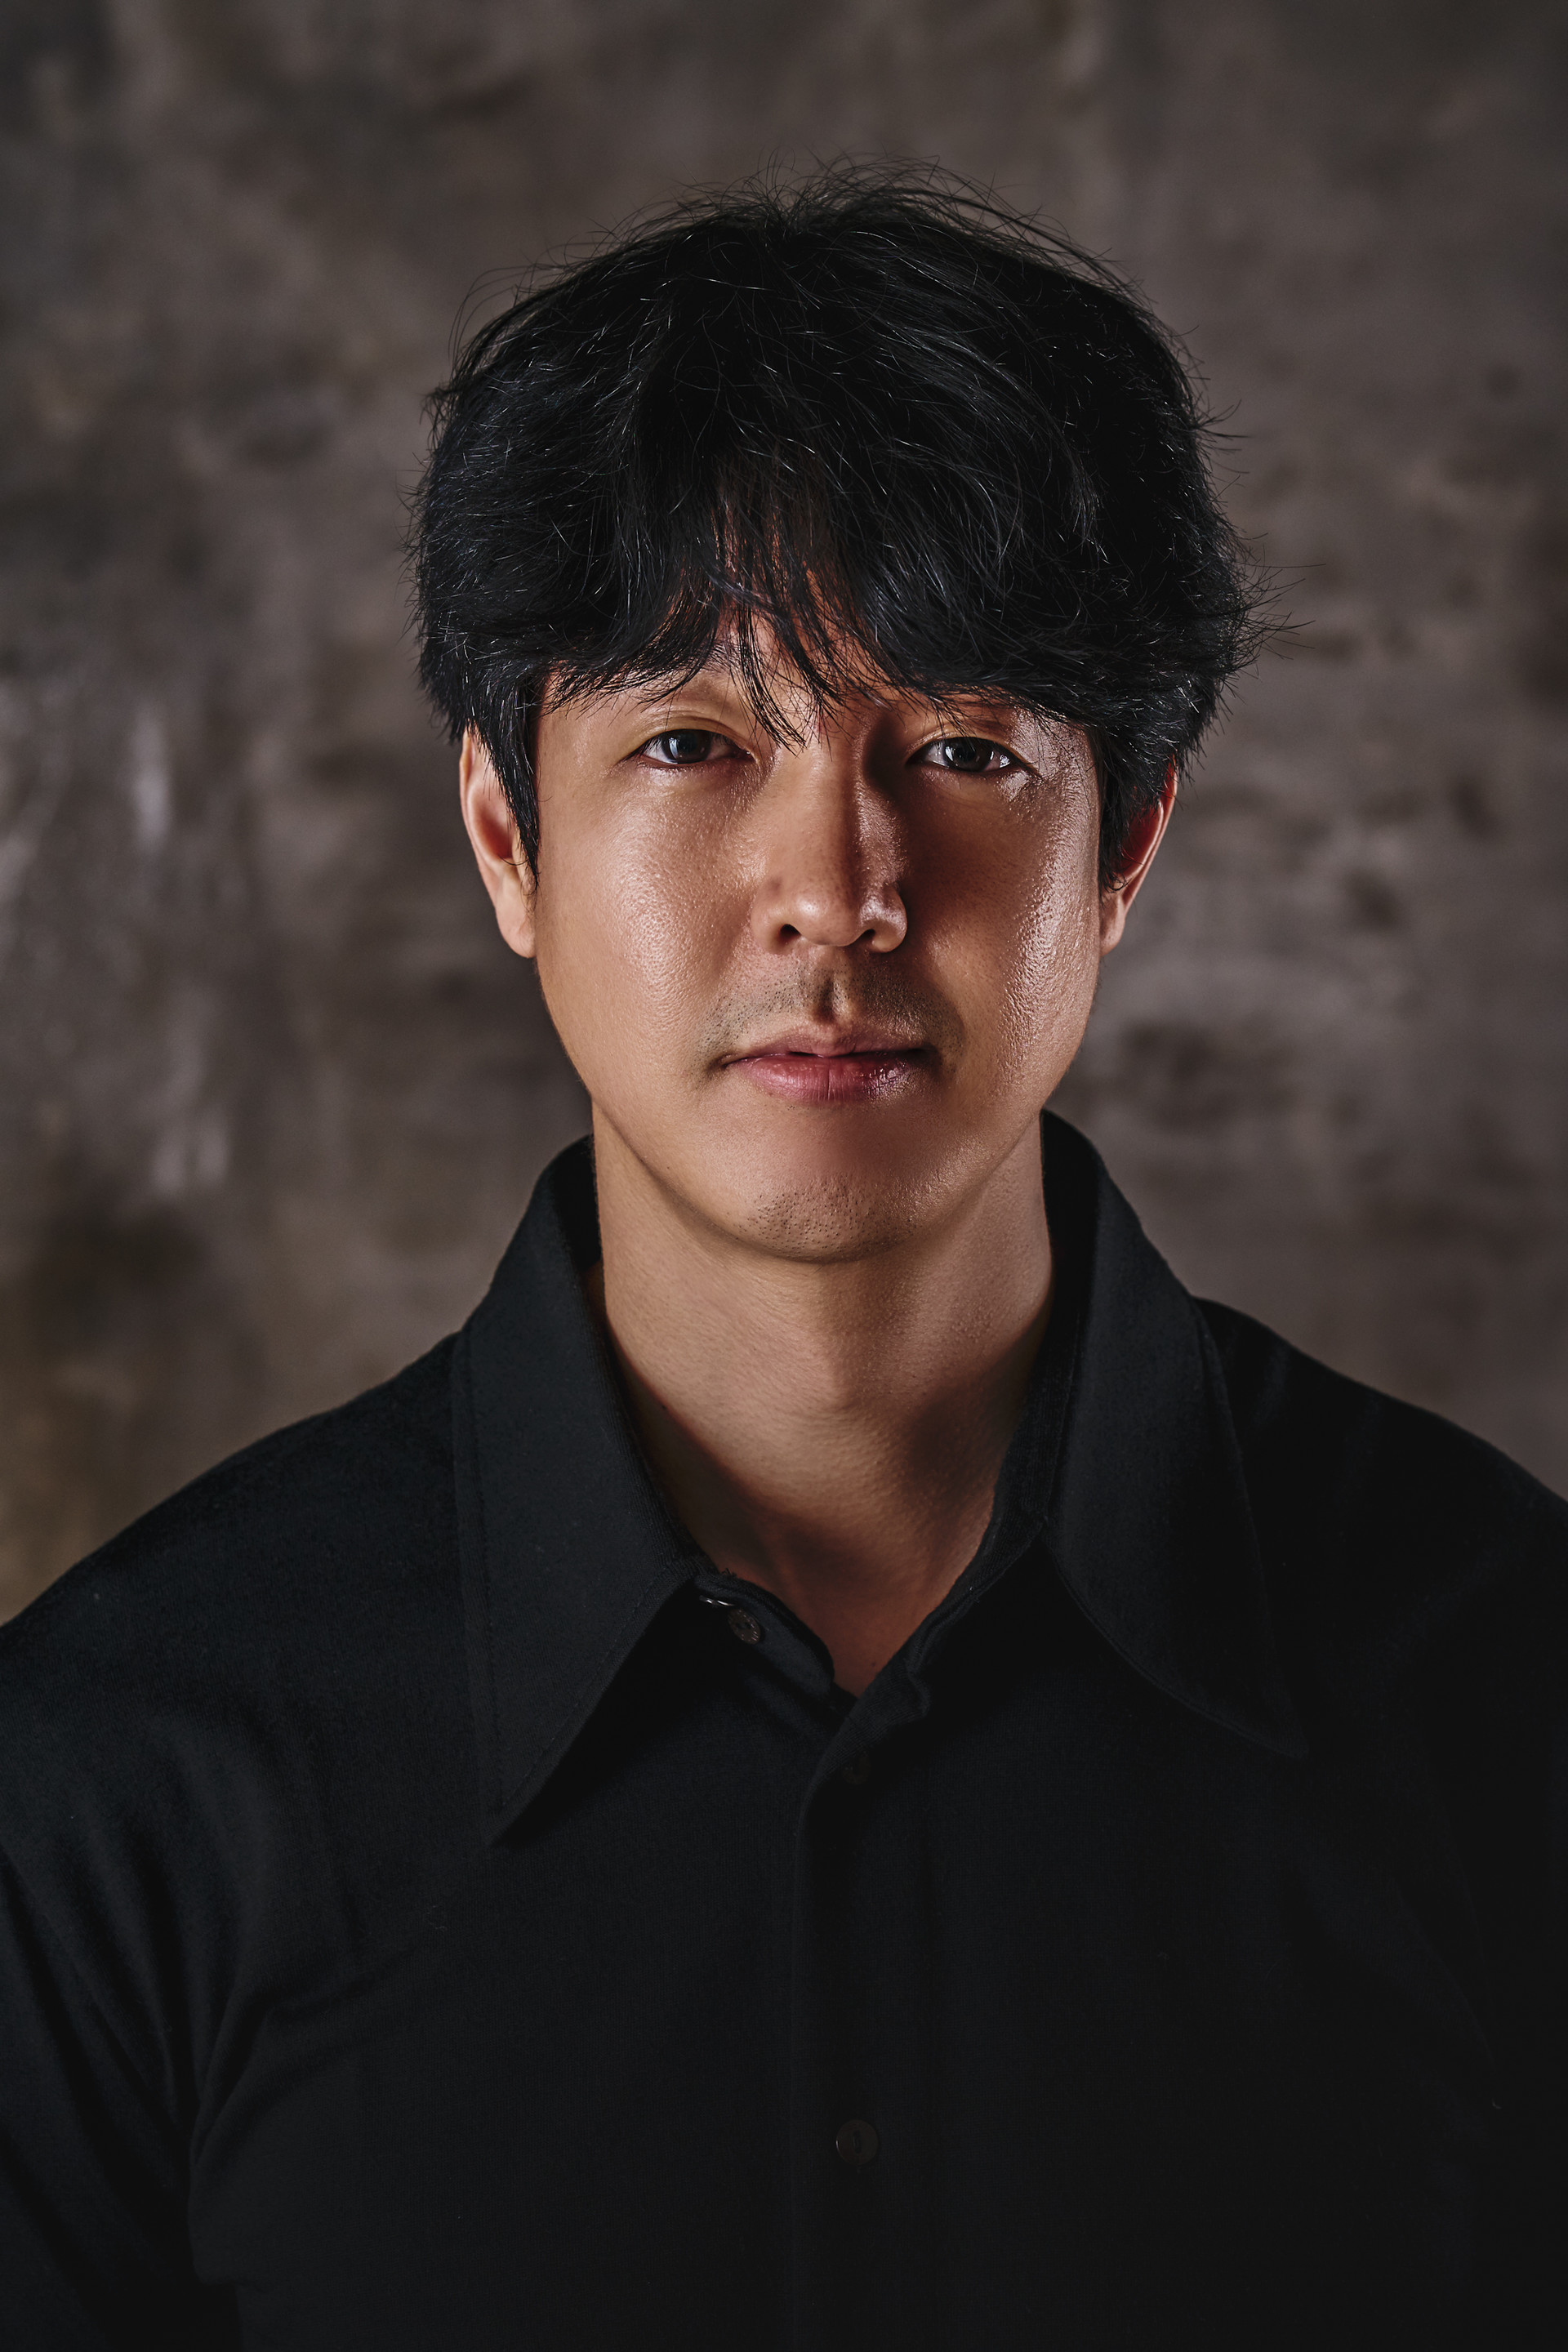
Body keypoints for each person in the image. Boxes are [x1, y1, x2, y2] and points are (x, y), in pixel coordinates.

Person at [1, 170, 1562, 2351]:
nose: (836, 886)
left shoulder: (1505, 1689)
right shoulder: (114, 1774)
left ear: (1127, 843)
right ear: (503, 840)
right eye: (691, 744)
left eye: (962, 749)